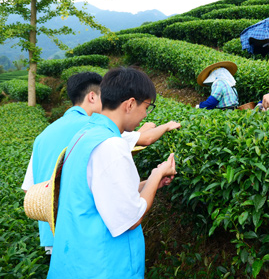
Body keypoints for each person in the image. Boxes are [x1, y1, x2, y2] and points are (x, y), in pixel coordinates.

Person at [21, 72, 180, 257]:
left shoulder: (81, 135)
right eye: (147, 106)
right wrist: (156, 175)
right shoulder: (110, 142)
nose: (146, 114)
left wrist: (150, 183)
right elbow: (130, 218)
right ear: (129, 104)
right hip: (98, 258)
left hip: (65, 240)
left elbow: (99, 191)